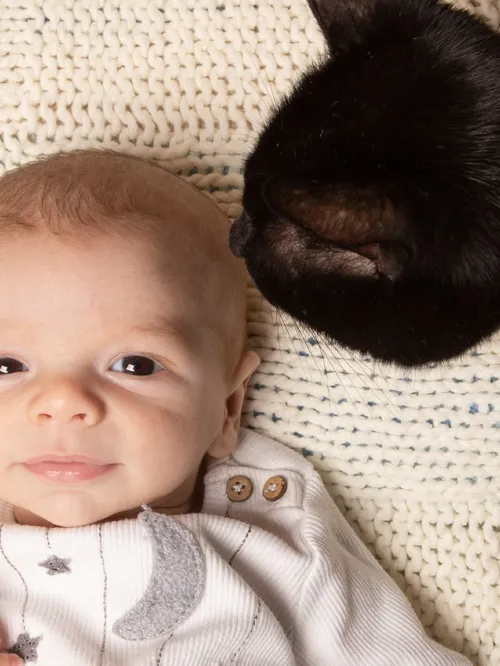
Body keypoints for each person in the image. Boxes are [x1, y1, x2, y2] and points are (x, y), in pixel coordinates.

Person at [0, 150, 470, 666]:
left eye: (134, 365)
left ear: (227, 407)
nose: (63, 403)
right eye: (6, 367)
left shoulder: (273, 543)